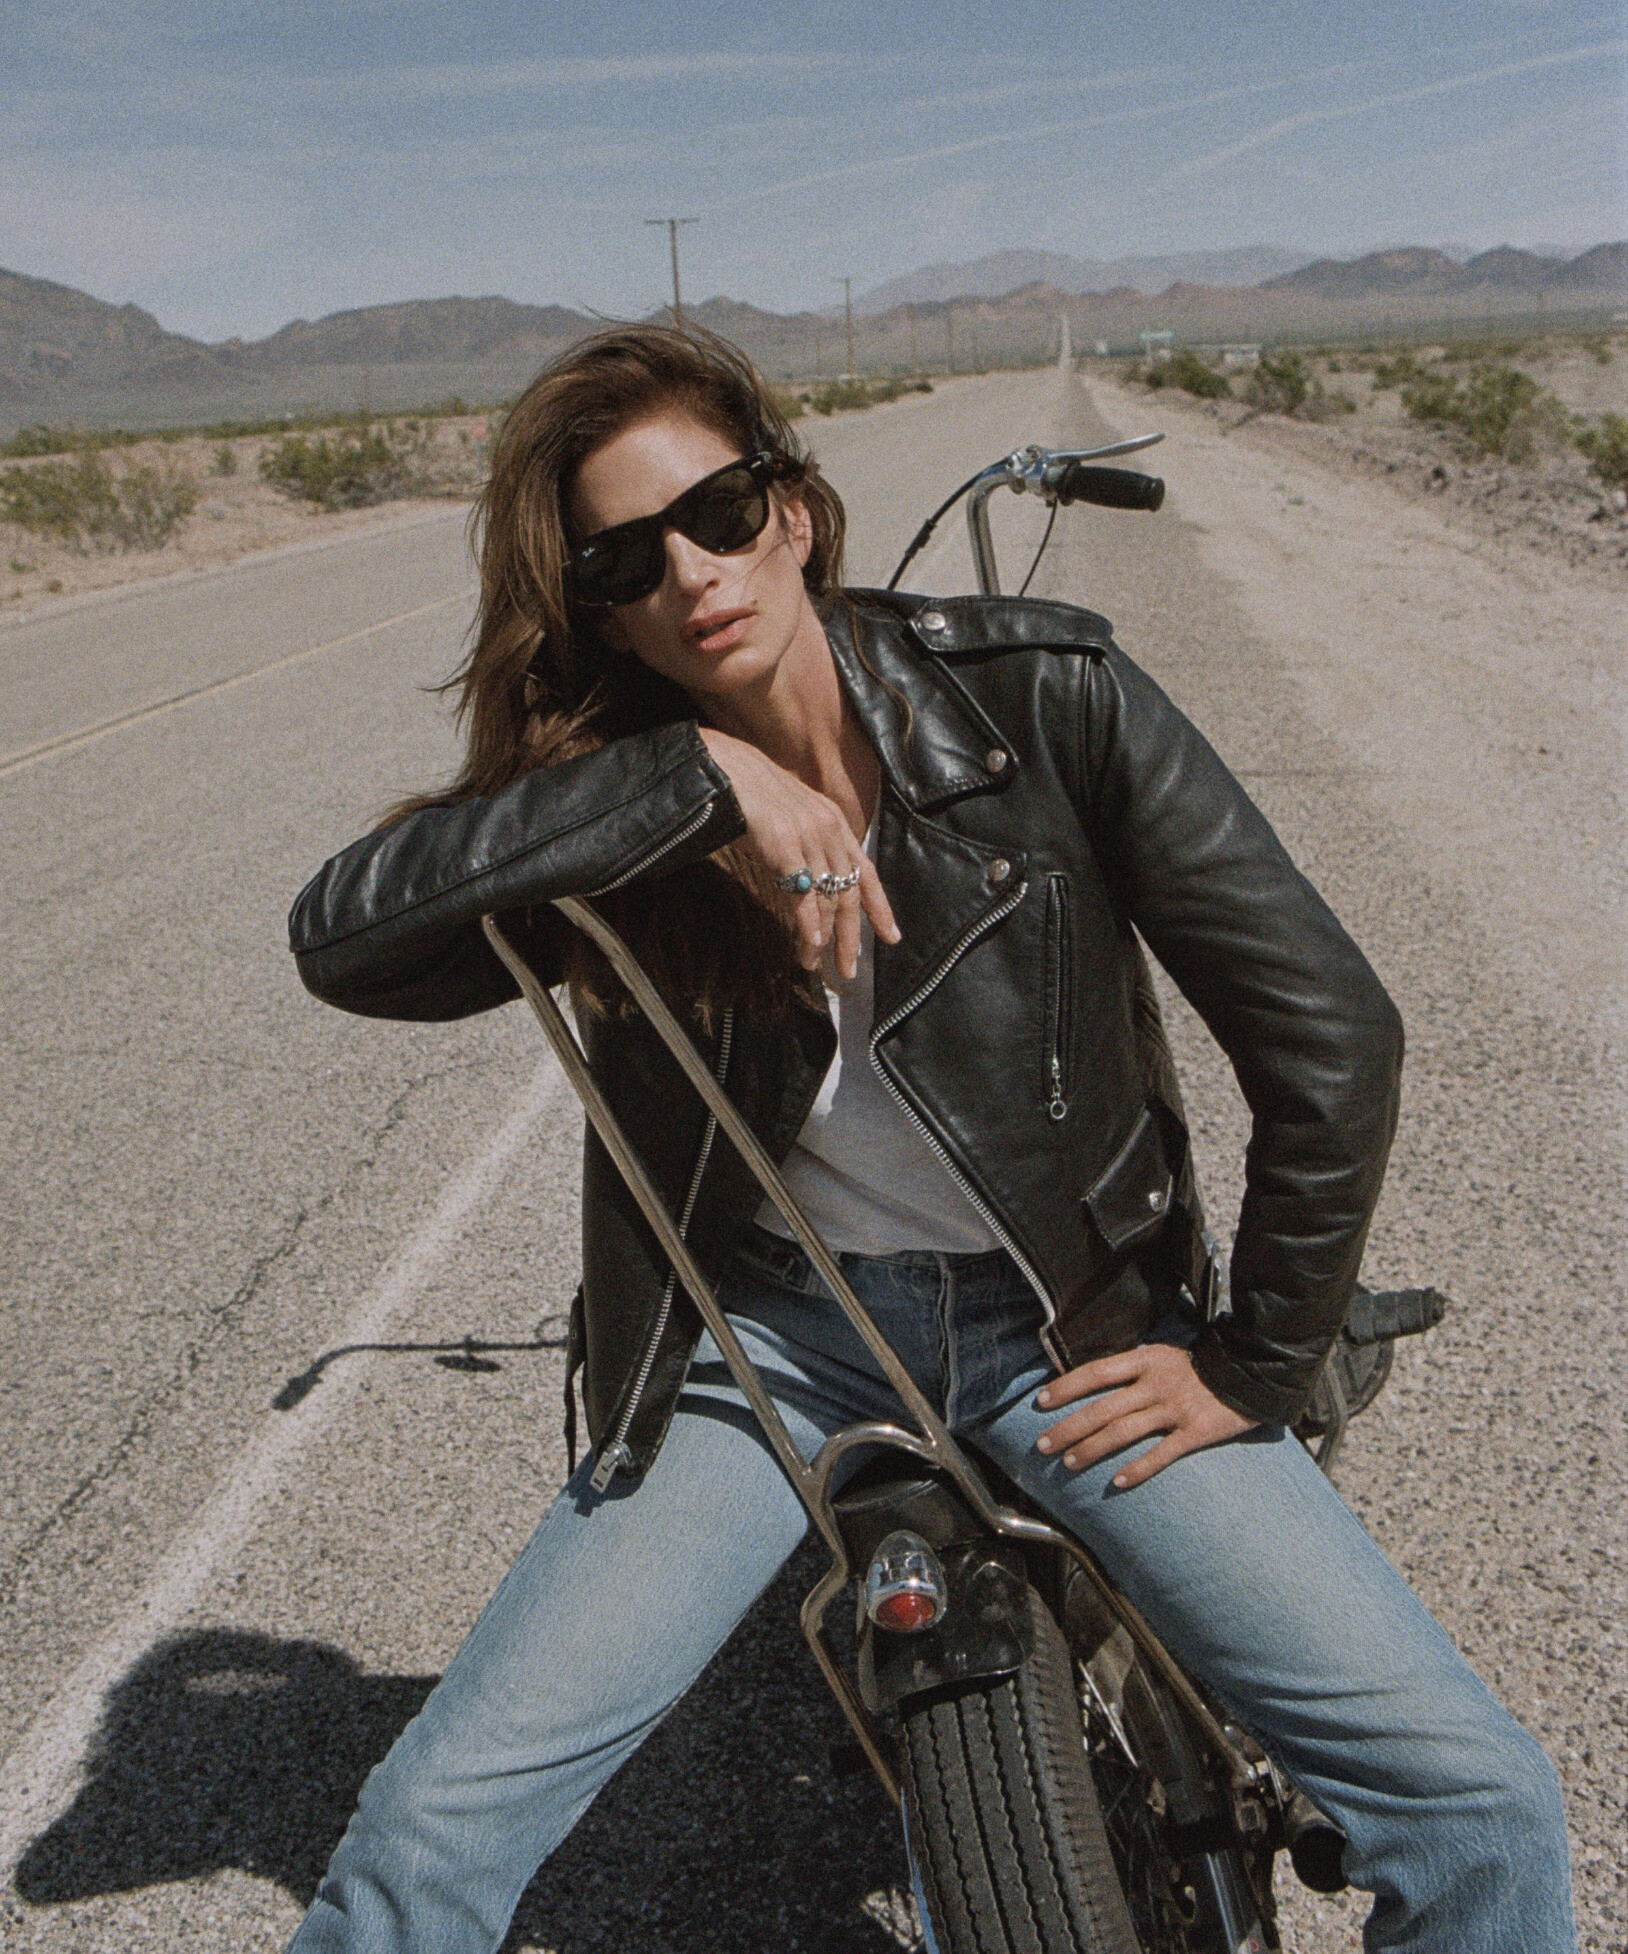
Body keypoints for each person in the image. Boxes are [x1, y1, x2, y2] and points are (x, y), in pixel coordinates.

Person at [284, 325, 1574, 1952]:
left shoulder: (1039, 695)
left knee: (1479, 1809)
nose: (690, 572)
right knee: (422, 1835)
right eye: (625, 561)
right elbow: (341, 936)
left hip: (1067, 1330)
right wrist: (689, 782)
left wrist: (1254, 1359)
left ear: (792, 508)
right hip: (773, 1343)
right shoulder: (617, 804)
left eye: (718, 513)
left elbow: (1334, 1030)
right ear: (599, 612)